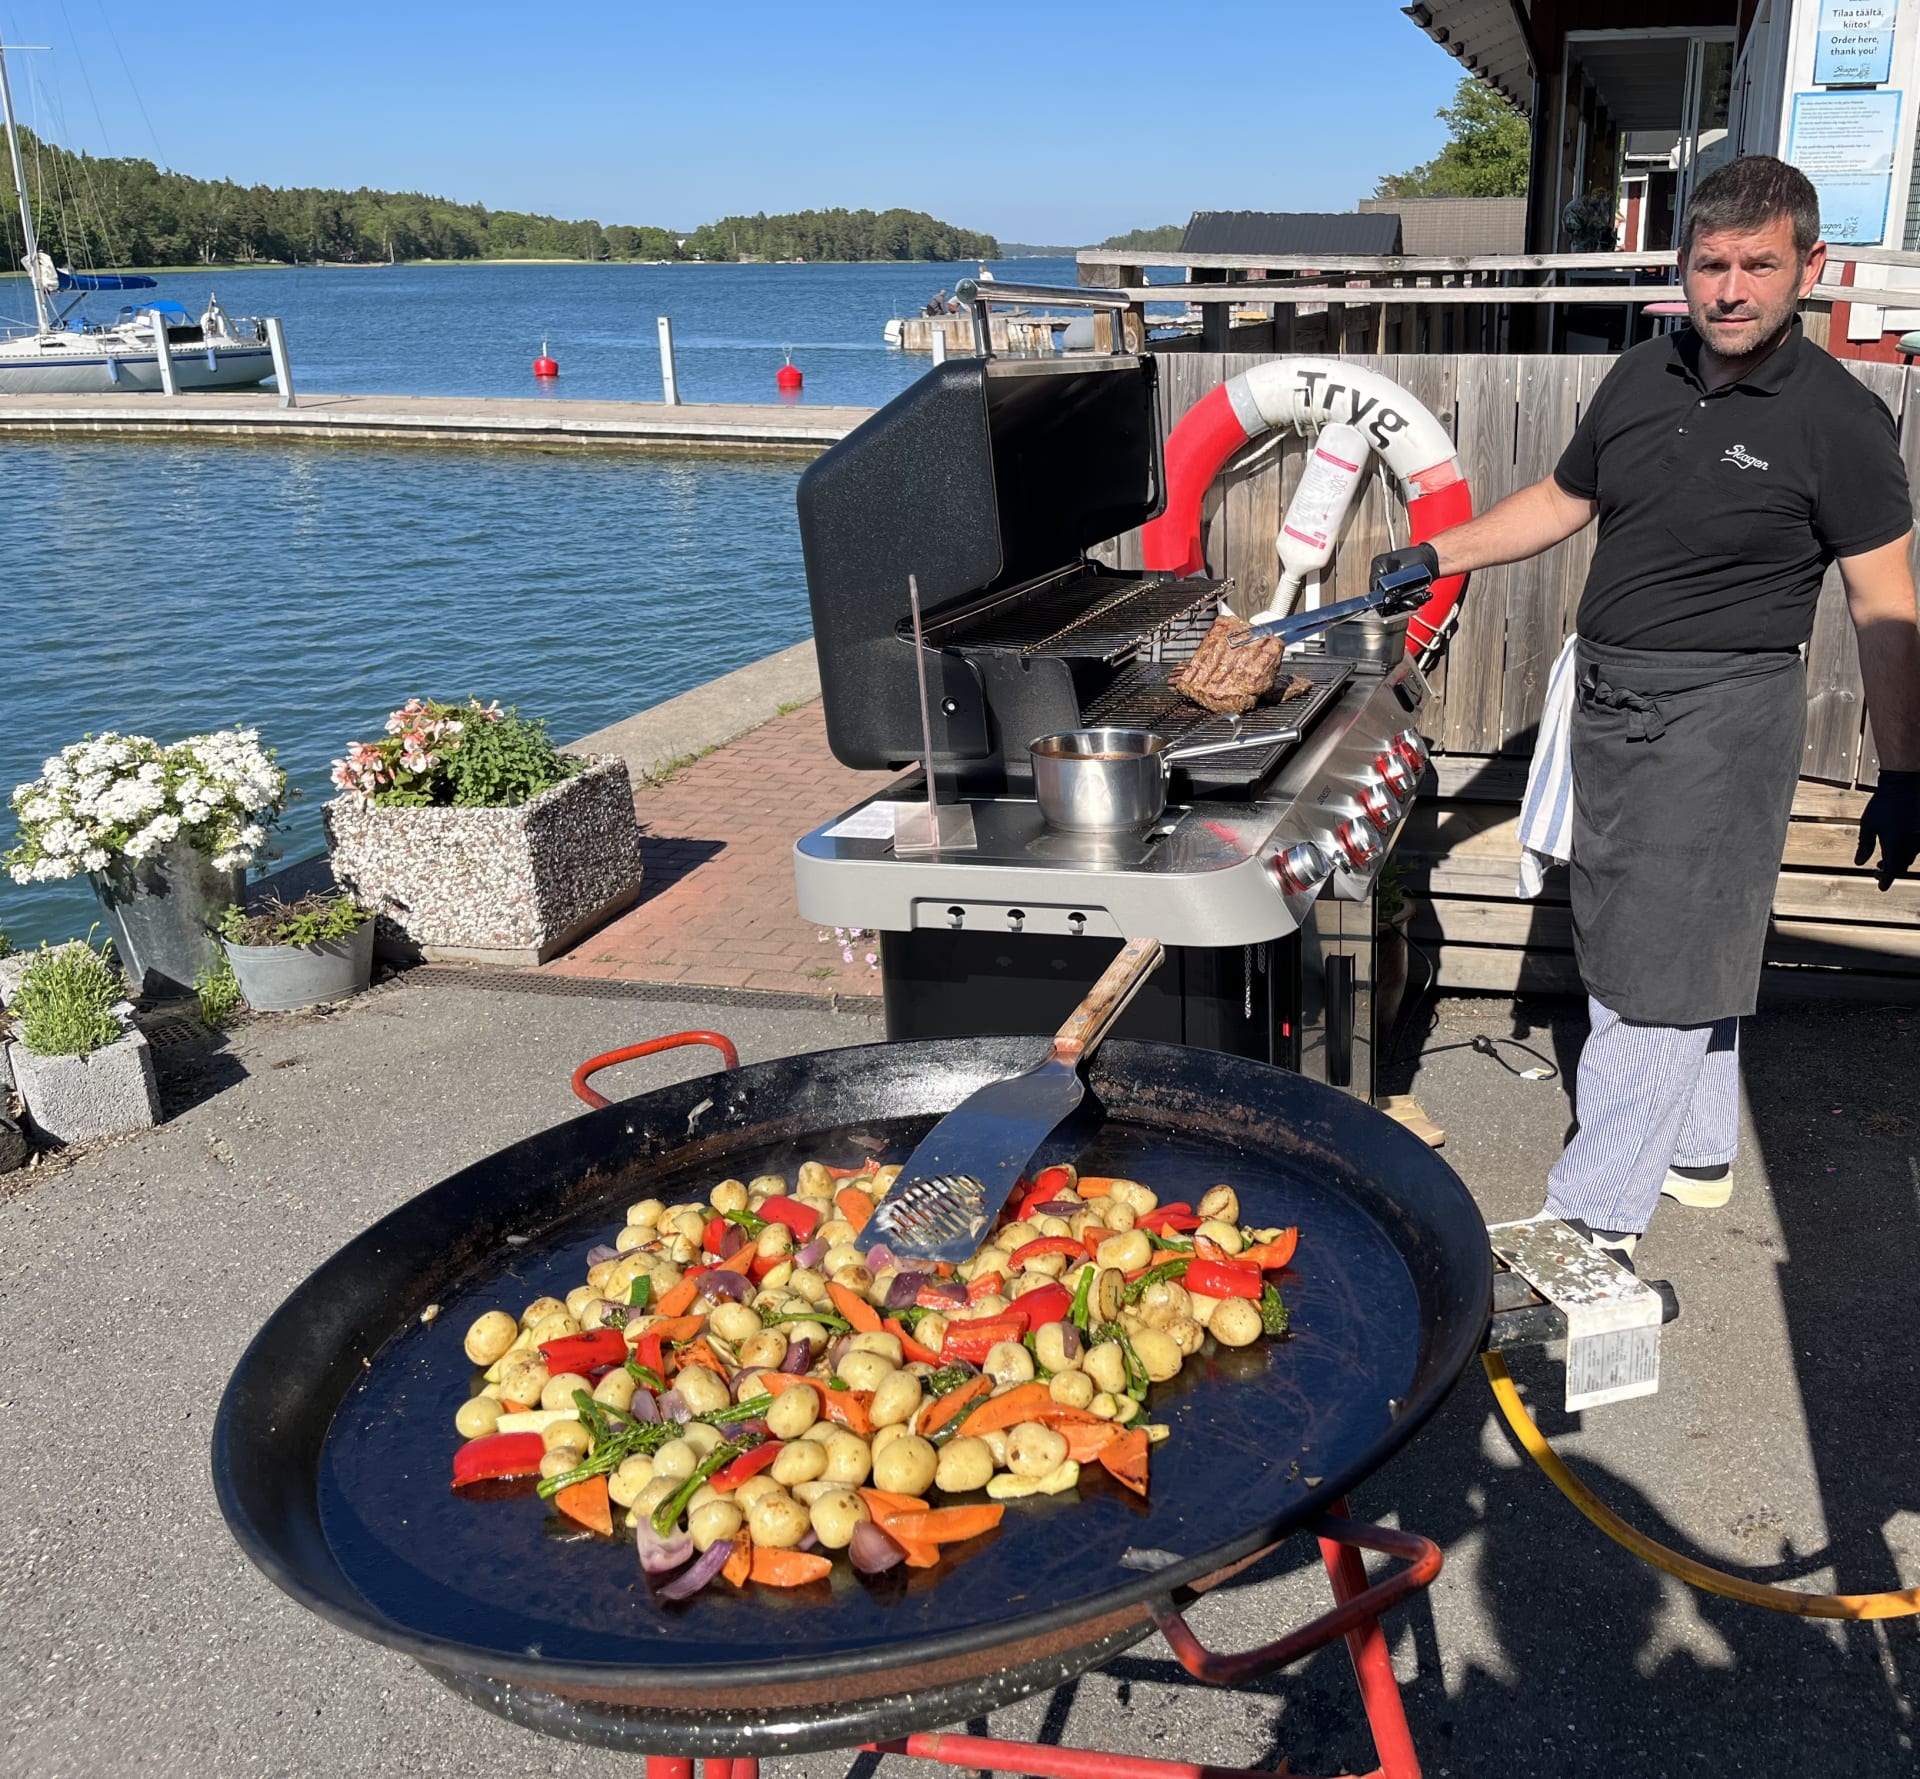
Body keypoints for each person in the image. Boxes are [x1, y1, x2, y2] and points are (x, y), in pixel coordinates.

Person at [1373, 155, 1920, 1264]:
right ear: (1683, 269)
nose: (1730, 289)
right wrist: (1437, 552)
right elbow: (1560, 502)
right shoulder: (1641, 375)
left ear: (1809, 268)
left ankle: (1592, 1223)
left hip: (1721, 721)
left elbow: (1887, 603)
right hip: (1614, 706)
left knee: (1659, 977)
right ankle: (1702, 1154)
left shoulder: (1839, 423)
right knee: (1672, 941)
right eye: (1710, 265)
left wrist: (1907, 772)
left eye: (1758, 266)